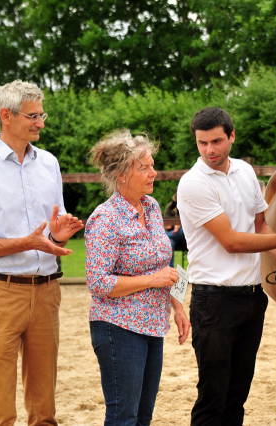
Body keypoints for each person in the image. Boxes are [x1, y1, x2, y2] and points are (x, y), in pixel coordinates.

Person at [177, 107, 276, 426]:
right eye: (202, 144)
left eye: (216, 141)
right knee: (212, 399)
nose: (209, 150)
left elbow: (260, 224)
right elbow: (231, 241)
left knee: (237, 397)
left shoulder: (245, 171)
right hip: (213, 302)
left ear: (232, 136)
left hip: (252, 298)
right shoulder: (193, 183)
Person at [0, 80, 84, 426]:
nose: (41, 122)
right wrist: (27, 243)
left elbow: (48, 229)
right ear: (6, 116)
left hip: (46, 293)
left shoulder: (49, 164)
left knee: (45, 411)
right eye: (33, 115)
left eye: (42, 114)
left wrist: (57, 234)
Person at [85, 130, 191, 426]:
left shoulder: (153, 207)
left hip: (153, 326)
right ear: (121, 175)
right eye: (144, 167)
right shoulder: (104, 219)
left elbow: (166, 262)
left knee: (143, 417)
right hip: (118, 327)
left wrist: (178, 306)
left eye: (152, 165)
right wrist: (151, 280)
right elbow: (98, 283)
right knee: (123, 417)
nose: (153, 172)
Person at [164, 188, 187, 267]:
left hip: (186, 235)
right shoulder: (170, 207)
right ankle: (170, 272)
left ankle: (161, 237)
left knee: (183, 231)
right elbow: (167, 225)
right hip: (174, 235)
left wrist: (178, 225)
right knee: (168, 243)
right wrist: (174, 226)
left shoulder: (188, 206)